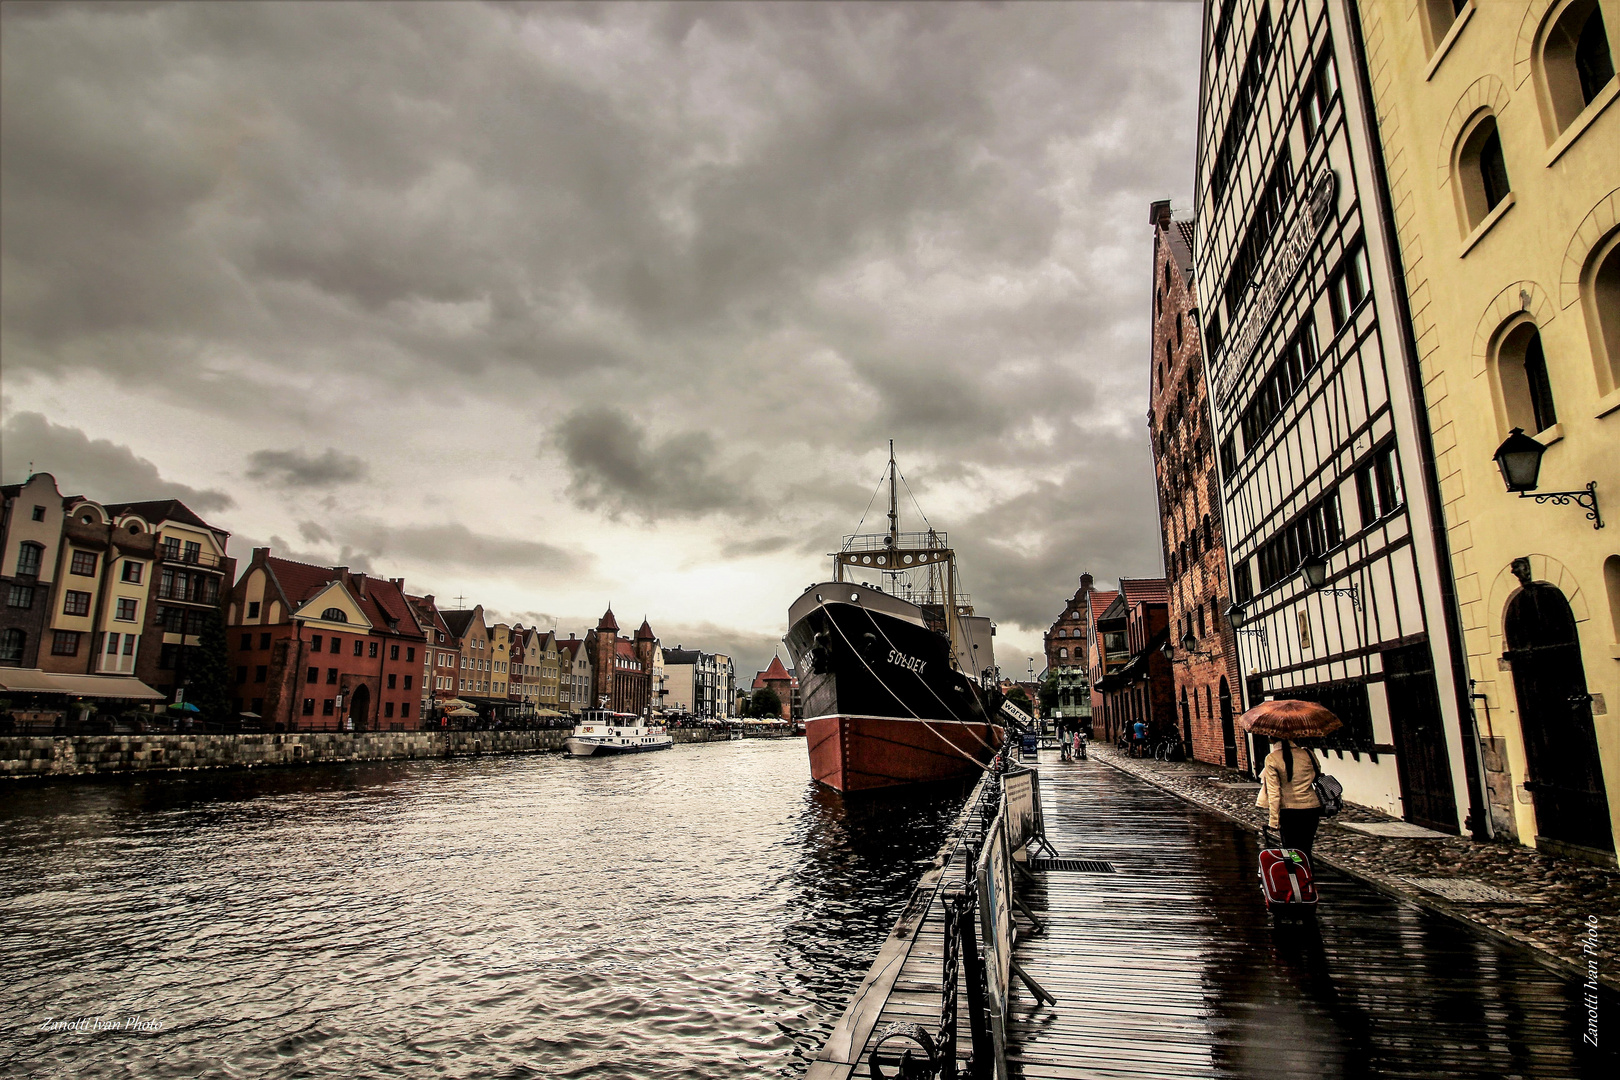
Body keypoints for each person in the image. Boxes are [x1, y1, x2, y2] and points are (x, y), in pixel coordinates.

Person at [1256, 738, 1323, 858]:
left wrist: (1274, 820)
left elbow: (1274, 792)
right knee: (1306, 849)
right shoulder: (1308, 754)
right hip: (1311, 808)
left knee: (1292, 851)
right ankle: (1308, 874)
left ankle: (1296, 873)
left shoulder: (1272, 758)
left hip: (1289, 811)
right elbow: (1317, 773)